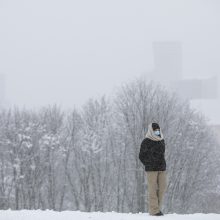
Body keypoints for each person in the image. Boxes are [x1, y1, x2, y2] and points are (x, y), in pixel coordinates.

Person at [139, 122, 167, 216]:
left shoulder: (161, 140)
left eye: (158, 130)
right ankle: (154, 210)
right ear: (151, 130)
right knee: (152, 189)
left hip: (162, 168)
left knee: (162, 188)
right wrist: (149, 163)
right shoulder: (146, 141)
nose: (157, 132)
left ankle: (157, 209)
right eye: (155, 130)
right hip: (151, 169)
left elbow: (162, 153)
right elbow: (141, 156)